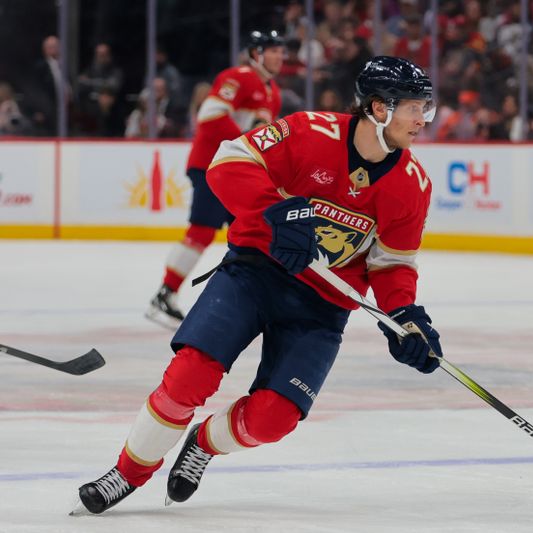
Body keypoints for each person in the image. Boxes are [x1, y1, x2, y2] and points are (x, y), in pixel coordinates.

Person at [74, 55, 443, 515]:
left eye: (425, 108)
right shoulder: (310, 131)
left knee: (274, 419)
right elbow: (227, 161)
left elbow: (391, 264)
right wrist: (275, 208)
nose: (423, 120)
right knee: (191, 374)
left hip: (322, 308)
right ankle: (126, 474)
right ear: (378, 107)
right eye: (414, 108)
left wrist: (403, 316)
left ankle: (204, 443)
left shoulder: (413, 184)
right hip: (255, 274)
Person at [146, 30, 285, 327]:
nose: (278, 56)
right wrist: (245, 144)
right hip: (212, 166)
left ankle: (252, 298)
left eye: (280, 51)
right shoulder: (238, 76)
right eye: (272, 50)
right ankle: (165, 293)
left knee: (252, 232)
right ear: (255, 54)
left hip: (236, 170)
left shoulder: (273, 91)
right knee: (203, 230)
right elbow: (209, 116)